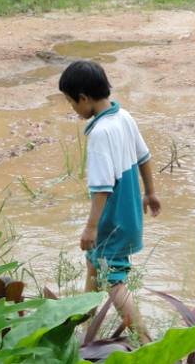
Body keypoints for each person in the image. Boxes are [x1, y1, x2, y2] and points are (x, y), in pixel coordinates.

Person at [59, 60, 161, 345]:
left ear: (84, 98)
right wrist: (151, 193)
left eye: (71, 103)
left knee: (114, 281)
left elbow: (102, 188)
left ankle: (145, 341)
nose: (73, 109)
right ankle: (84, 328)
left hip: (111, 220)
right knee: (95, 263)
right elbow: (144, 156)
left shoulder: (100, 133)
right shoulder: (124, 116)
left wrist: (91, 228)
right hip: (130, 216)